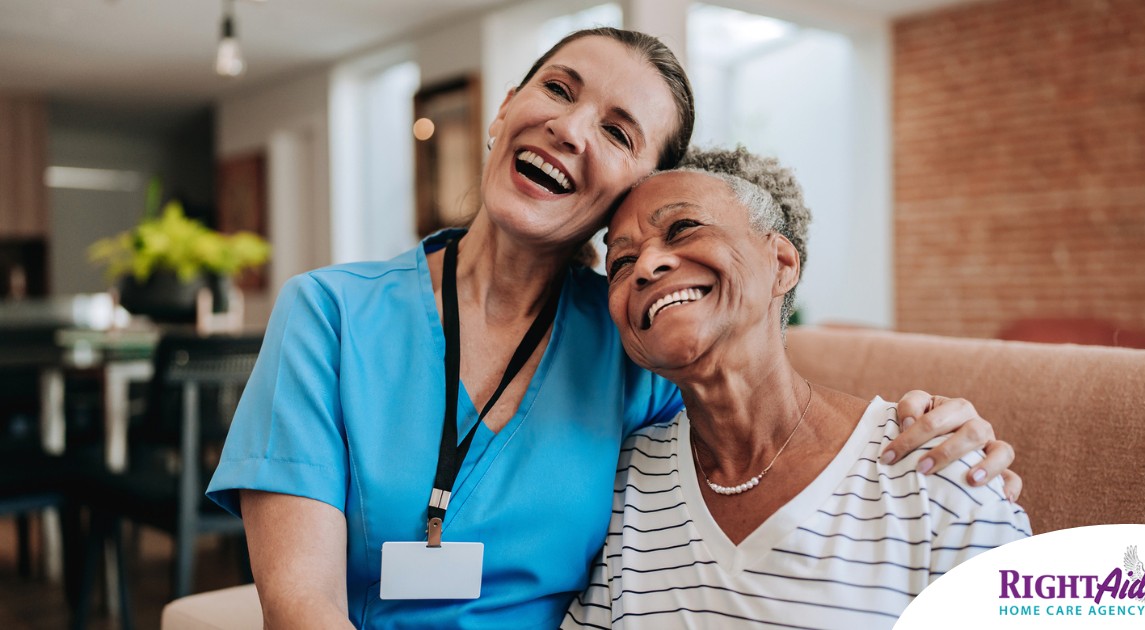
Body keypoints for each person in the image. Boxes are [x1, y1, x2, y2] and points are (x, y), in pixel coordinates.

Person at [207, 28, 1019, 629]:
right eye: (558, 90)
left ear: (638, 191)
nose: (569, 129)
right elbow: (301, 606)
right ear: (504, 110)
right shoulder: (329, 315)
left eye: (618, 132)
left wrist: (938, 437)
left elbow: (755, 404)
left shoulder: (636, 344)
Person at [562, 147, 1031, 629]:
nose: (645, 266)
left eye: (683, 228)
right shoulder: (620, 482)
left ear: (781, 263)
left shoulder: (935, 462)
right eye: (621, 262)